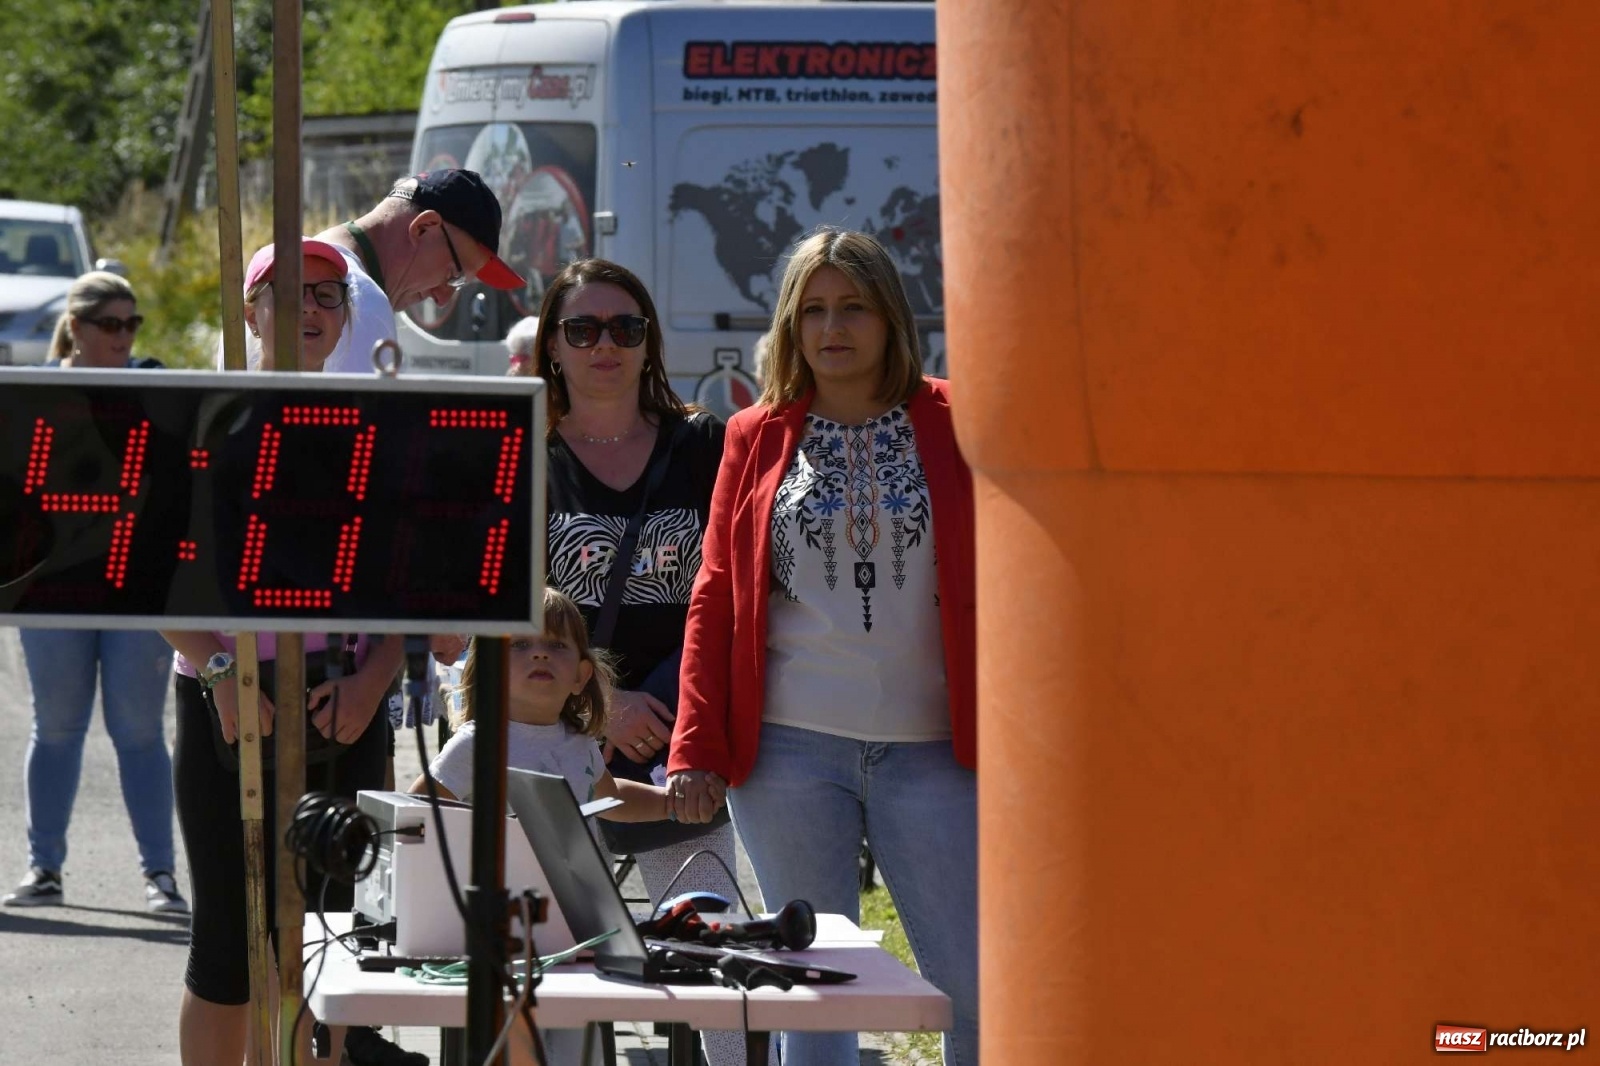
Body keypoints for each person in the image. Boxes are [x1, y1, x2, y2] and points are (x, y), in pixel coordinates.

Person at [669, 228, 979, 1066]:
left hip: (938, 753)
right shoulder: (753, 434)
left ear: (891, 320)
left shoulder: (962, 421)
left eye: (853, 308)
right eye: (812, 311)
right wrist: (693, 743)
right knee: (811, 1003)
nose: (832, 328)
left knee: (976, 992)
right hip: (788, 753)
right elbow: (715, 594)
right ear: (789, 326)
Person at [161, 239, 406, 1066]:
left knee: (331, 943)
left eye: (330, 296)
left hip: (345, 695)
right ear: (251, 309)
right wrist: (225, 676)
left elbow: (423, 578)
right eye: (291, 293)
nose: (311, 310)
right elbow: (154, 576)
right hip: (227, 697)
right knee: (227, 947)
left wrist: (376, 677)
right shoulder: (204, 420)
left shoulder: (381, 423)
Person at [532, 258, 770, 1066]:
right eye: (583, 329)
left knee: (710, 962)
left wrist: (671, 709)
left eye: (625, 328)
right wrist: (604, 701)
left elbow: (741, 590)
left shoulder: (704, 443)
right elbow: (496, 616)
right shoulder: (525, 453)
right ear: (552, 348)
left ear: (648, 342)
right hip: (559, 741)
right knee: (559, 974)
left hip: (682, 737)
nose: (606, 345)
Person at [411, 589, 671, 1066]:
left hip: (581, 932)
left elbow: (608, 798)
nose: (539, 653)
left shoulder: (581, 744)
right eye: (521, 645)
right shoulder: (476, 744)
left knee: (580, 1051)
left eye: (557, 647)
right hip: (501, 941)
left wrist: (667, 803)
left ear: (581, 676)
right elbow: (416, 813)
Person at [3, 271, 186, 915]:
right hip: (52, 590)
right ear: (76, 327)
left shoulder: (153, 388)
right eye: (110, 323)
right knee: (56, 727)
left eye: (132, 323)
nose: (124, 336)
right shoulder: (30, 396)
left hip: (135, 590)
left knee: (138, 730)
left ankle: (160, 875)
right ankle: (43, 868)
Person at [312, 168, 527, 373]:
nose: (442, 298)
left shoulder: (298, 259)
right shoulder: (364, 302)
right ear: (423, 228)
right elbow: (364, 411)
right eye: (453, 276)